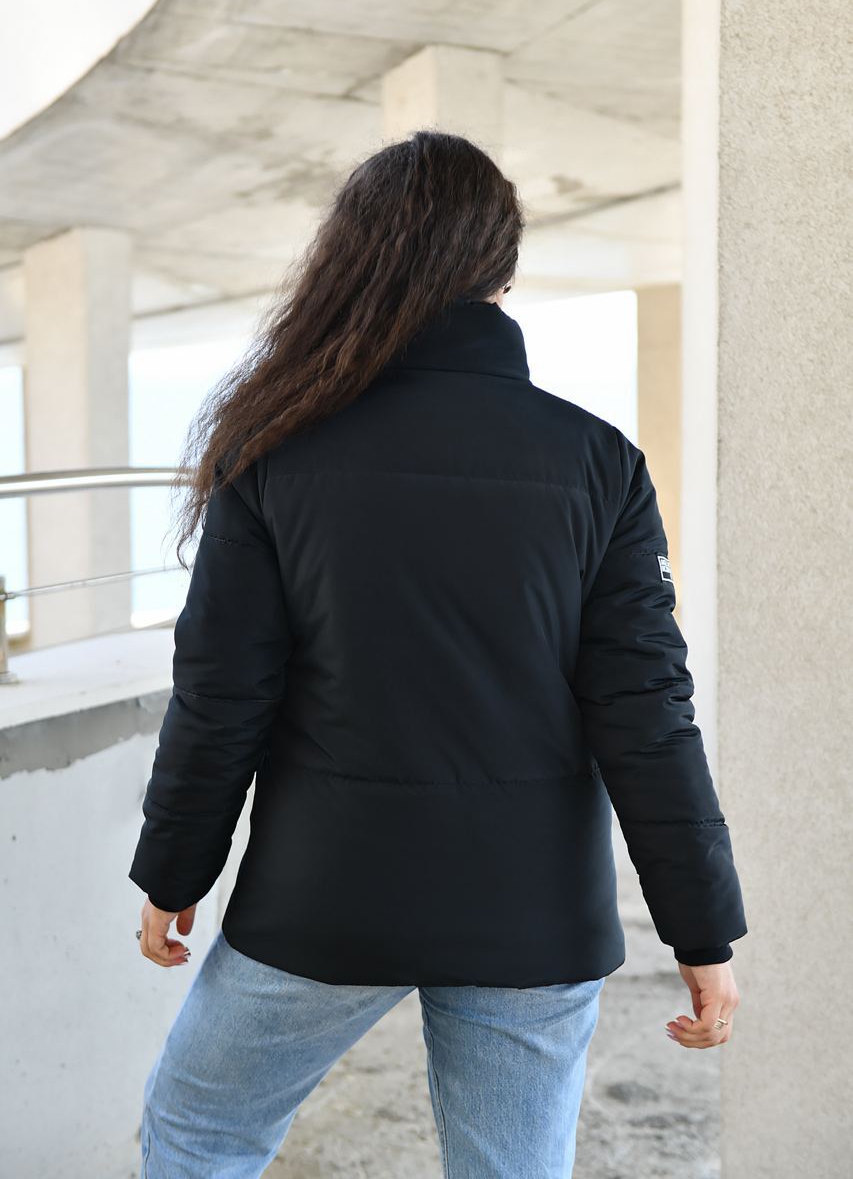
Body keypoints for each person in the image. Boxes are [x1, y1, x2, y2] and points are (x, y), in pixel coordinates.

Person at [129, 130, 746, 1178]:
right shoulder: (598, 463)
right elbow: (645, 711)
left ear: (349, 258)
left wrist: (173, 869)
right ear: (502, 272)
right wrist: (701, 930)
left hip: (323, 897)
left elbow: (223, 695)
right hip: (533, 911)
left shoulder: (272, 446)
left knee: (200, 1132)